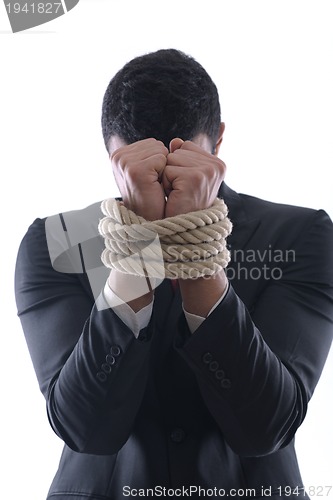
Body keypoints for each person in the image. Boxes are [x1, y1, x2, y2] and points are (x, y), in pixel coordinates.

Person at [15, 49, 333, 500]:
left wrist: (195, 250)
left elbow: (266, 428)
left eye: (177, 173)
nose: (164, 190)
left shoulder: (302, 235)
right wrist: (138, 251)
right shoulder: (54, 243)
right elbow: (85, 430)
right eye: (144, 174)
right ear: (111, 156)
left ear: (218, 143)